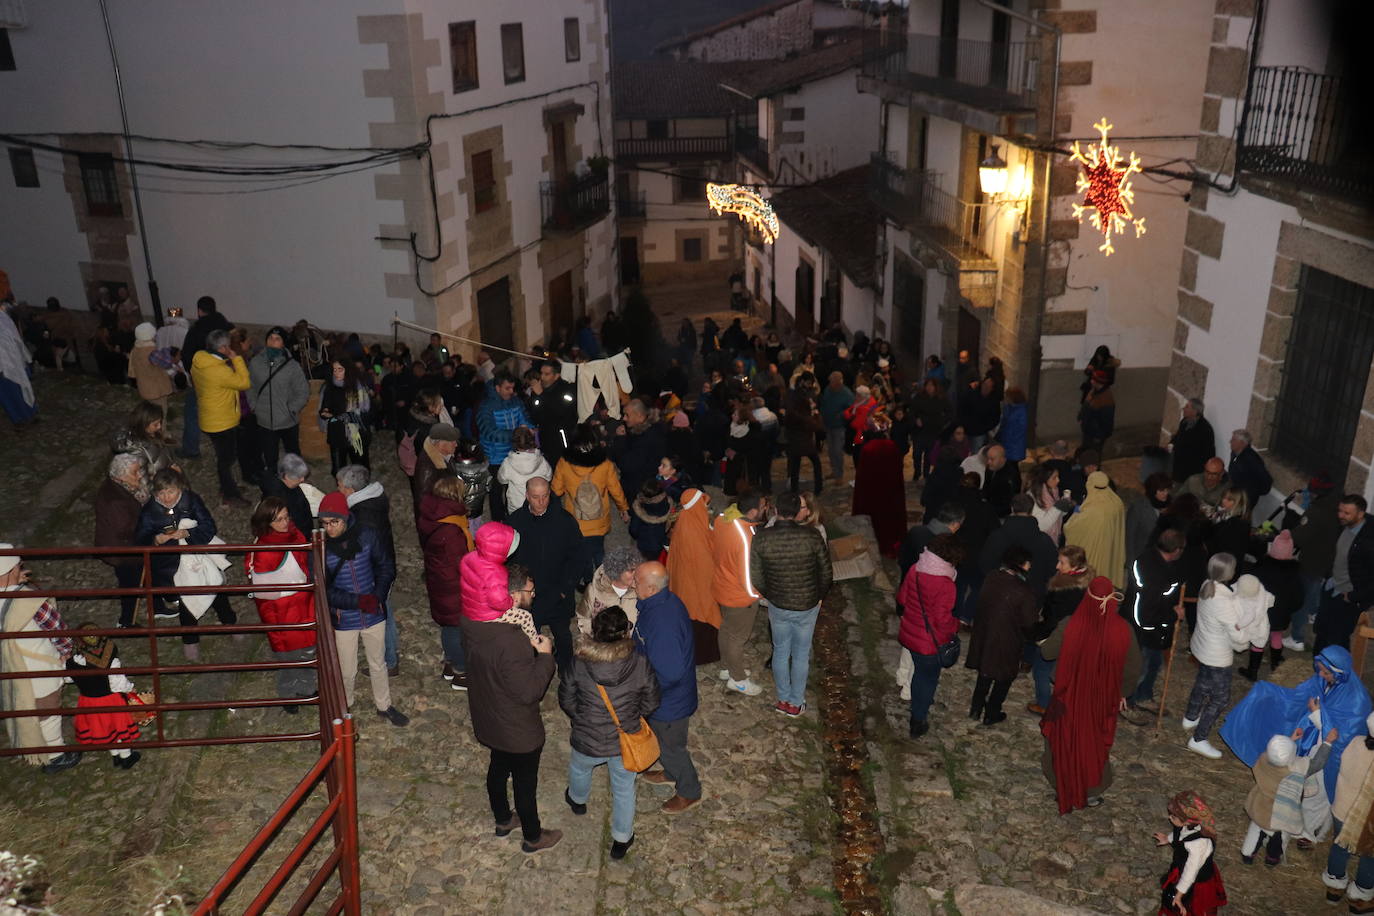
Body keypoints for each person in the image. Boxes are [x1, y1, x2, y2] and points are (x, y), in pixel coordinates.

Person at [462, 563, 561, 853]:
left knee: (497, 767)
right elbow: (529, 691)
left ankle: (503, 819)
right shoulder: (512, 639)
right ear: (514, 595)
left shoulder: (473, 621)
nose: (535, 594)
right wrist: (545, 657)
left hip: (489, 716)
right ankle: (533, 836)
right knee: (524, 783)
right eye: (530, 590)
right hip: (516, 727)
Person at [1221, 647, 1374, 816]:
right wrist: (1268, 693)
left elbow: (1341, 737)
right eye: (1320, 670)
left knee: (1317, 793)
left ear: (1339, 674)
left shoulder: (1357, 701)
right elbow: (1300, 695)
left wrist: (1317, 713)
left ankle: (1308, 831)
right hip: (1310, 740)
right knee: (1303, 779)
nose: (1321, 675)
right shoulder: (1324, 680)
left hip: (1327, 752)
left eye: (1325, 673)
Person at [559, 605, 660, 860]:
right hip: (624, 738)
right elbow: (652, 699)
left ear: (595, 632)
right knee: (624, 789)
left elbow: (566, 696)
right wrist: (635, 717)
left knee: (580, 769)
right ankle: (621, 839)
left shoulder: (580, 662)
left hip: (587, 736)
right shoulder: (639, 662)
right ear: (626, 632)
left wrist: (579, 717)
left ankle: (577, 800)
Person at [1039, 576, 1140, 811]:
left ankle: (1061, 784)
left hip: (1068, 696)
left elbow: (1047, 652)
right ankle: (1091, 790)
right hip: (1103, 699)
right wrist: (1122, 692)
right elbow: (1133, 666)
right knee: (1093, 744)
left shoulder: (1070, 624)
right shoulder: (1124, 630)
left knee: (1062, 740)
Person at [317, 491, 407, 726]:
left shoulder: (367, 536)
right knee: (347, 669)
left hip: (373, 614)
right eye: (325, 523)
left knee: (378, 663)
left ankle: (384, 705)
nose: (329, 528)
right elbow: (324, 591)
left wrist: (377, 596)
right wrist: (357, 602)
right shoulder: (321, 550)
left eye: (334, 522)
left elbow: (385, 566)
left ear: (345, 518)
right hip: (344, 617)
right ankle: (344, 706)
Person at [134, 468, 237, 661]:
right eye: (162, 493)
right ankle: (190, 641)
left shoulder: (191, 501)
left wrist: (188, 534)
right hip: (171, 565)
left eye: (171, 492)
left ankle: (230, 624)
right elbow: (140, 539)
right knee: (186, 601)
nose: (166, 497)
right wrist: (156, 539)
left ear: (179, 489)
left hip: (199, 556)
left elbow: (208, 526)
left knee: (216, 589)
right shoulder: (150, 511)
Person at [750, 491, 833, 717]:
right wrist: (819, 595)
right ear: (798, 512)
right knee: (800, 654)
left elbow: (756, 577)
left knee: (780, 651)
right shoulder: (813, 537)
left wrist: (773, 594)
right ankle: (796, 702)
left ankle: (783, 699)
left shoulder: (761, 538)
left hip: (779, 605)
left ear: (775, 511)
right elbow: (826, 573)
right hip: (807, 605)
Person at [0, 548, 81, 773]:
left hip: (12, 667)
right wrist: (66, 650)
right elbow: (55, 627)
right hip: (39, 666)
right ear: (9, 570)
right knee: (48, 708)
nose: (22, 568)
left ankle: (37, 745)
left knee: (28, 706)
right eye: (18, 566)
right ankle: (55, 756)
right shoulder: (28, 599)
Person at [633, 561, 701, 813]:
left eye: (637, 581)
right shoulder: (661, 602)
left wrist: (645, 690)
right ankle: (671, 772)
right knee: (664, 743)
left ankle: (689, 790)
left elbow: (670, 672)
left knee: (672, 748)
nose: (632, 584)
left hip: (668, 703)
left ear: (651, 589)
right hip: (665, 699)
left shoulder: (663, 623)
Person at [245, 497, 317, 711]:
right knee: (288, 656)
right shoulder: (264, 550)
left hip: (302, 602)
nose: (285, 523)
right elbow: (264, 593)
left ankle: (306, 688)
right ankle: (288, 694)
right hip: (281, 612)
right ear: (267, 522)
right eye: (278, 520)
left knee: (307, 650)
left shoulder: (294, 534)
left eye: (286, 517)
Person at [508, 478, 583, 675]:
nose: (541, 502)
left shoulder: (566, 521)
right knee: (528, 639)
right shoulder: (515, 522)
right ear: (526, 496)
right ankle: (532, 675)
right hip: (528, 597)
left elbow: (577, 557)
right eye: (536, 497)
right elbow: (509, 561)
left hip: (558, 593)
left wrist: (565, 590)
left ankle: (567, 676)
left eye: (545, 496)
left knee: (563, 637)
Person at [336, 463, 399, 675]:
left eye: (339, 486)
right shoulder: (374, 500)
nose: (338, 489)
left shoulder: (362, 515)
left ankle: (389, 661)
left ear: (350, 490)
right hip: (383, 564)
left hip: (375, 571)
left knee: (383, 613)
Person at [897, 533, 962, 738]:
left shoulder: (915, 569)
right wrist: (955, 625)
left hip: (911, 634)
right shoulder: (946, 584)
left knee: (919, 674)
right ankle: (918, 719)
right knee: (928, 678)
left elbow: (903, 599)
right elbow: (942, 621)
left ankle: (919, 704)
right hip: (929, 643)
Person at [966, 546, 1039, 726]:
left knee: (985, 671)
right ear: (1021, 565)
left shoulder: (992, 577)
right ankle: (992, 712)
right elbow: (1029, 622)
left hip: (986, 634)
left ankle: (976, 708)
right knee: (1003, 677)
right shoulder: (1024, 591)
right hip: (1008, 640)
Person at [1182, 554, 1246, 759]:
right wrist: (1247, 635)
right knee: (1220, 698)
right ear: (1229, 573)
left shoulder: (1206, 585)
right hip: (1217, 654)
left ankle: (1190, 716)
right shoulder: (1224, 602)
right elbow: (1238, 635)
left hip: (1202, 647)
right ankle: (1198, 739)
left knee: (1202, 683)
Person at [1242, 727, 1335, 867]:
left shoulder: (1263, 759)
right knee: (1278, 838)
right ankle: (1271, 859)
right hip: (1281, 814)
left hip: (1260, 807)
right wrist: (1327, 742)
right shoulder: (1296, 770)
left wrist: (1290, 740)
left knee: (1255, 830)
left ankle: (1247, 855)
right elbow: (1317, 764)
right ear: (1291, 756)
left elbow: (1276, 754)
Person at [417, 471, 471, 690]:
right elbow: (461, 562)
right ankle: (460, 672)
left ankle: (451, 665)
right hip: (452, 585)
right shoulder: (450, 529)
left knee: (449, 626)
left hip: (440, 580)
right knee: (454, 626)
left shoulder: (434, 515)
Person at [64, 625, 145, 769]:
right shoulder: (110, 662)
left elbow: (67, 679)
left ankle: (114, 755)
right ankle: (126, 757)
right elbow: (118, 683)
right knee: (119, 727)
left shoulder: (73, 662)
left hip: (88, 701)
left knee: (105, 729)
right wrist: (130, 689)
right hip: (110, 700)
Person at [1028, 545, 1094, 715]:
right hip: (1076, 636)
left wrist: (1038, 632)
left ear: (1074, 566)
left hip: (1055, 636)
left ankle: (1044, 704)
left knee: (1041, 669)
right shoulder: (1086, 583)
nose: (1057, 566)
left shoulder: (1063, 590)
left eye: (1062, 563)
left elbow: (1053, 620)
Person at [553, 428, 629, 576]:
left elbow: (557, 490)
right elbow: (615, 489)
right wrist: (623, 508)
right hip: (598, 519)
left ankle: (587, 579)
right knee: (599, 550)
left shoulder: (564, 462)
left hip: (575, 520)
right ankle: (601, 577)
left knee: (582, 553)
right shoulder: (605, 464)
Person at [1125, 529, 1186, 712]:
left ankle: (1144, 696)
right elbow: (1146, 616)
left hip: (1153, 630)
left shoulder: (1147, 557)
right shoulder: (1156, 576)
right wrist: (1174, 615)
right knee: (1139, 669)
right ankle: (1128, 702)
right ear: (1175, 550)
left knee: (1154, 664)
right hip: (1145, 632)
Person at [190, 329, 252, 508]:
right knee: (226, 460)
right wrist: (237, 359)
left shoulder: (199, 360)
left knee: (223, 457)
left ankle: (227, 487)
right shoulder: (219, 370)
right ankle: (230, 495)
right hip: (221, 422)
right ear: (224, 348)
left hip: (209, 417)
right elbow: (244, 383)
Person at [713, 493, 765, 691]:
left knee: (726, 630)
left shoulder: (722, 519)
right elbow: (747, 575)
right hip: (739, 596)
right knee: (737, 638)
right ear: (752, 512)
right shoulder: (745, 537)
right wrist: (757, 595)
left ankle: (726, 667)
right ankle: (738, 680)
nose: (765, 509)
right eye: (762, 506)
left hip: (722, 587)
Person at [1324, 713, 1374, 910]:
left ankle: (1334, 888)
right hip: (1365, 820)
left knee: (1339, 846)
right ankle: (1361, 896)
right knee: (1370, 854)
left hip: (1341, 810)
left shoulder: (1355, 742)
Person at [1314, 495, 1374, 653]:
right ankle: (1318, 667)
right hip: (1331, 587)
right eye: (1340, 510)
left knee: (1337, 639)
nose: (1340, 515)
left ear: (1360, 514)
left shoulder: (1369, 540)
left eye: (1346, 513)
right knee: (1321, 631)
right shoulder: (1344, 524)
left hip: (1348, 597)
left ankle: (1336, 674)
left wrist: (1354, 596)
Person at [94, 453, 148, 628]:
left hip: (127, 547)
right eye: (135, 472)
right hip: (124, 552)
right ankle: (126, 621)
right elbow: (126, 530)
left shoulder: (119, 487)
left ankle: (157, 602)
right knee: (130, 585)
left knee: (145, 574)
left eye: (139, 470)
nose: (140, 475)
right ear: (120, 475)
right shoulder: (116, 501)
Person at [1155, 791, 1228, 916]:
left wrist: (1179, 895)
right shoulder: (1189, 825)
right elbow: (1181, 834)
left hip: (1198, 879)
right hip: (1183, 868)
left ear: (1187, 821)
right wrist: (1168, 839)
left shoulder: (1198, 844)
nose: (1169, 818)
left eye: (1173, 817)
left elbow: (1190, 873)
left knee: (1198, 905)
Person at [248, 326, 309, 472]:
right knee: (270, 457)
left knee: (293, 455)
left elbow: (302, 391)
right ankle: (273, 486)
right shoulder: (255, 363)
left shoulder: (292, 366)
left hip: (288, 420)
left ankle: (297, 482)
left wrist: (291, 409)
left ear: (283, 343)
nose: (273, 341)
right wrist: (254, 405)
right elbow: (249, 386)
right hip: (265, 420)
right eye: (270, 338)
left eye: (277, 339)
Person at [667, 488, 718, 662]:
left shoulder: (685, 519)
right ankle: (703, 656)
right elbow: (704, 562)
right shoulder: (693, 527)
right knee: (701, 618)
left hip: (685, 584)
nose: (706, 507)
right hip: (697, 586)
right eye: (703, 503)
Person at [178, 296, 231, 459]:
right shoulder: (224, 324)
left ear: (199, 311)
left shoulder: (196, 330)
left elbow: (187, 355)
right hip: (224, 375)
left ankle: (191, 449)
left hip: (204, 378)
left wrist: (192, 373)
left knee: (192, 411)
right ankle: (228, 449)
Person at [476, 372, 532, 521]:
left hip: (514, 454)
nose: (511, 392)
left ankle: (512, 516)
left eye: (513, 388)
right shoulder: (486, 407)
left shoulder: (516, 401)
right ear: (497, 387)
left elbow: (525, 419)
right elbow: (489, 432)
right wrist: (517, 435)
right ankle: (498, 520)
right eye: (507, 388)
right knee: (496, 491)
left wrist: (530, 430)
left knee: (513, 488)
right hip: (495, 457)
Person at [979, 492, 1058, 597]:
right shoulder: (1044, 540)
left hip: (1002, 593)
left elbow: (985, 565)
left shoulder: (997, 536)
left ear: (1012, 509)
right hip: (1033, 594)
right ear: (1031, 510)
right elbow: (1053, 569)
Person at [852, 415, 907, 558]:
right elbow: (898, 472)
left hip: (871, 494)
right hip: (890, 493)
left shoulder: (868, 449)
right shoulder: (892, 447)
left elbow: (862, 476)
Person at [1064, 470, 1127, 589]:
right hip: (1108, 552)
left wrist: (1076, 513)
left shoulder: (1092, 508)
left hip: (1094, 557)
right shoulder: (1117, 502)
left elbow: (1070, 529)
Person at [319, 359, 371, 475]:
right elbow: (325, 406)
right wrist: (324, 412)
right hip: (336, 431)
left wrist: (340, 415)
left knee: (359, 467)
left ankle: (360, 491)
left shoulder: (357, 387)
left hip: (355, 431)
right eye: (334, 370)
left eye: (340, 369)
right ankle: (342, 490)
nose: (336, 373)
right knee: (338, 469)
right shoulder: (329, 387)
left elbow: (364, 411)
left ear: (347, 371)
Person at [577, 546, 641, 636]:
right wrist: (597, 636)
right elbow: (583, 618)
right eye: (631, 570)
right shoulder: (594, 590)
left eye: (637, 569)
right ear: (616, 572)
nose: (637, 573)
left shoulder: (641, 589)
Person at [529, 360, 578, 467]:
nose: (542, 377)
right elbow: (533, 412)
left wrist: (542, 395)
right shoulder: (538, 390)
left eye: (547, 374)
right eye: (541, 373)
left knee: (562, 467)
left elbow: (562, 412)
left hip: (561, 439)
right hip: (544, 437)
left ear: (556, 376)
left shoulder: (566, 389)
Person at [783, 374, 824, 495]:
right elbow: (816, 426)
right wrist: (816, 416)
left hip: (796, 440)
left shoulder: (792, 406)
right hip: (805, 440)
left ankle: (794, 489)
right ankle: (818, 488)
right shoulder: (804, 416)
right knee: (815, 463)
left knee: (795, 465)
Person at [496, 427, 551, 516]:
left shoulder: (507, 462)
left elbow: (502, 479)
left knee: (517, 526)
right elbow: (548, 476)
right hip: (537, 503)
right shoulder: (541, 460)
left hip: (516, 504)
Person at [1126, 473, 1174, 576]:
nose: (1165, 493)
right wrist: (1131, 565)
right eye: (1162, 490)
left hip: (1164, 561)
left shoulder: (1171, 506)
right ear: (1153, 491)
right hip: (1143, 559)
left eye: (1167, 490)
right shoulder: (1138, 508)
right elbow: (1130, 538)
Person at [261, 453, 314, 539]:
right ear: (286, 476)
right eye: (298, 477)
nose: (302, 480)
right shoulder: (277, 497)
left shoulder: (290, 485)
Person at [127, 322, 175, 415]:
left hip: (144, 388)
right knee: (161, 414)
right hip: (157, 390)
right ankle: (161, 429)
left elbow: (132, 371)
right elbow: (167, 363)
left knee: (150, 413)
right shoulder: (151, 351)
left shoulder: (135, 349)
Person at [410, 422, 458, 512]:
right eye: (453, 442)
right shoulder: (427, 469)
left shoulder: (445, 455)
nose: (456, 445)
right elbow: (426, 501)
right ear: (441, 444)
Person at [817, 371, 853, 481]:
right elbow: (823, 404)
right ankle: (834, 470)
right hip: (828, 425)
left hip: (839, 427)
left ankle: (839, 475)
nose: (830, 383)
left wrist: (842, 415)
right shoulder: (828, 390)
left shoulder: (846, 394)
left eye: (832, 381)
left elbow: (851, 410)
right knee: (831, 451)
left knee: (837, 451)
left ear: (838, 382)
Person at [1170, 397, 1216, 482]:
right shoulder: (1184, 421)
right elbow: (1178, 436)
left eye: (1187, 407)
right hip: (1178, 466)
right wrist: (1171, 444)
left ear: (1195, 411)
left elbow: (1208, 452)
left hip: (1191, 469)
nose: (1183, 408)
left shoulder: (1205, 429)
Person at [1227, 429, 1272, 510]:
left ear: (1243, 443)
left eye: (1234, 440)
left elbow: (1266, 479)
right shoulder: (1235, 452)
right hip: (1236, 493)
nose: (1230, 441)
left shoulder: (1251, 459)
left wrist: (1252, 493)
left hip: (1246, 498)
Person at [628, 479, 672, 562]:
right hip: (659, 542)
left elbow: (633, 530)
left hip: (644, 545)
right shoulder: (667, 502)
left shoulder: (639, 508)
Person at [979, 443, 1021, 518]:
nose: (988, 462)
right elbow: (986, 485)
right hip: (990, 505)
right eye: (988, 458)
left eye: (992, 459)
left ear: (1002, 459)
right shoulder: (991, 467)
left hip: (1002, 514)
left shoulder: (1010, 477)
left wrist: (988, 511)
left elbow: (1010, 502)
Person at [1078, 371, 1115, 454]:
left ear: (1098, 382)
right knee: (1085, 455)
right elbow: (1086, 405)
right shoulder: (1093, 391)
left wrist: (1099, 437)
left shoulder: (1106, 399)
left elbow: (1107, 422)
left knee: (1093, 458)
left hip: (1096, 435)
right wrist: (1081, 417)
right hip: (1088, 431)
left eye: (1093, 380)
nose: (1091, 381)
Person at [998, 387, 1028, 462]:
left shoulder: (1021, 411)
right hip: (1007, 442)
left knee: (1012, 465)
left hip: (1014, 445)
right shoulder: (1009, 408)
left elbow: (1021, 429)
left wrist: (1010, 439)